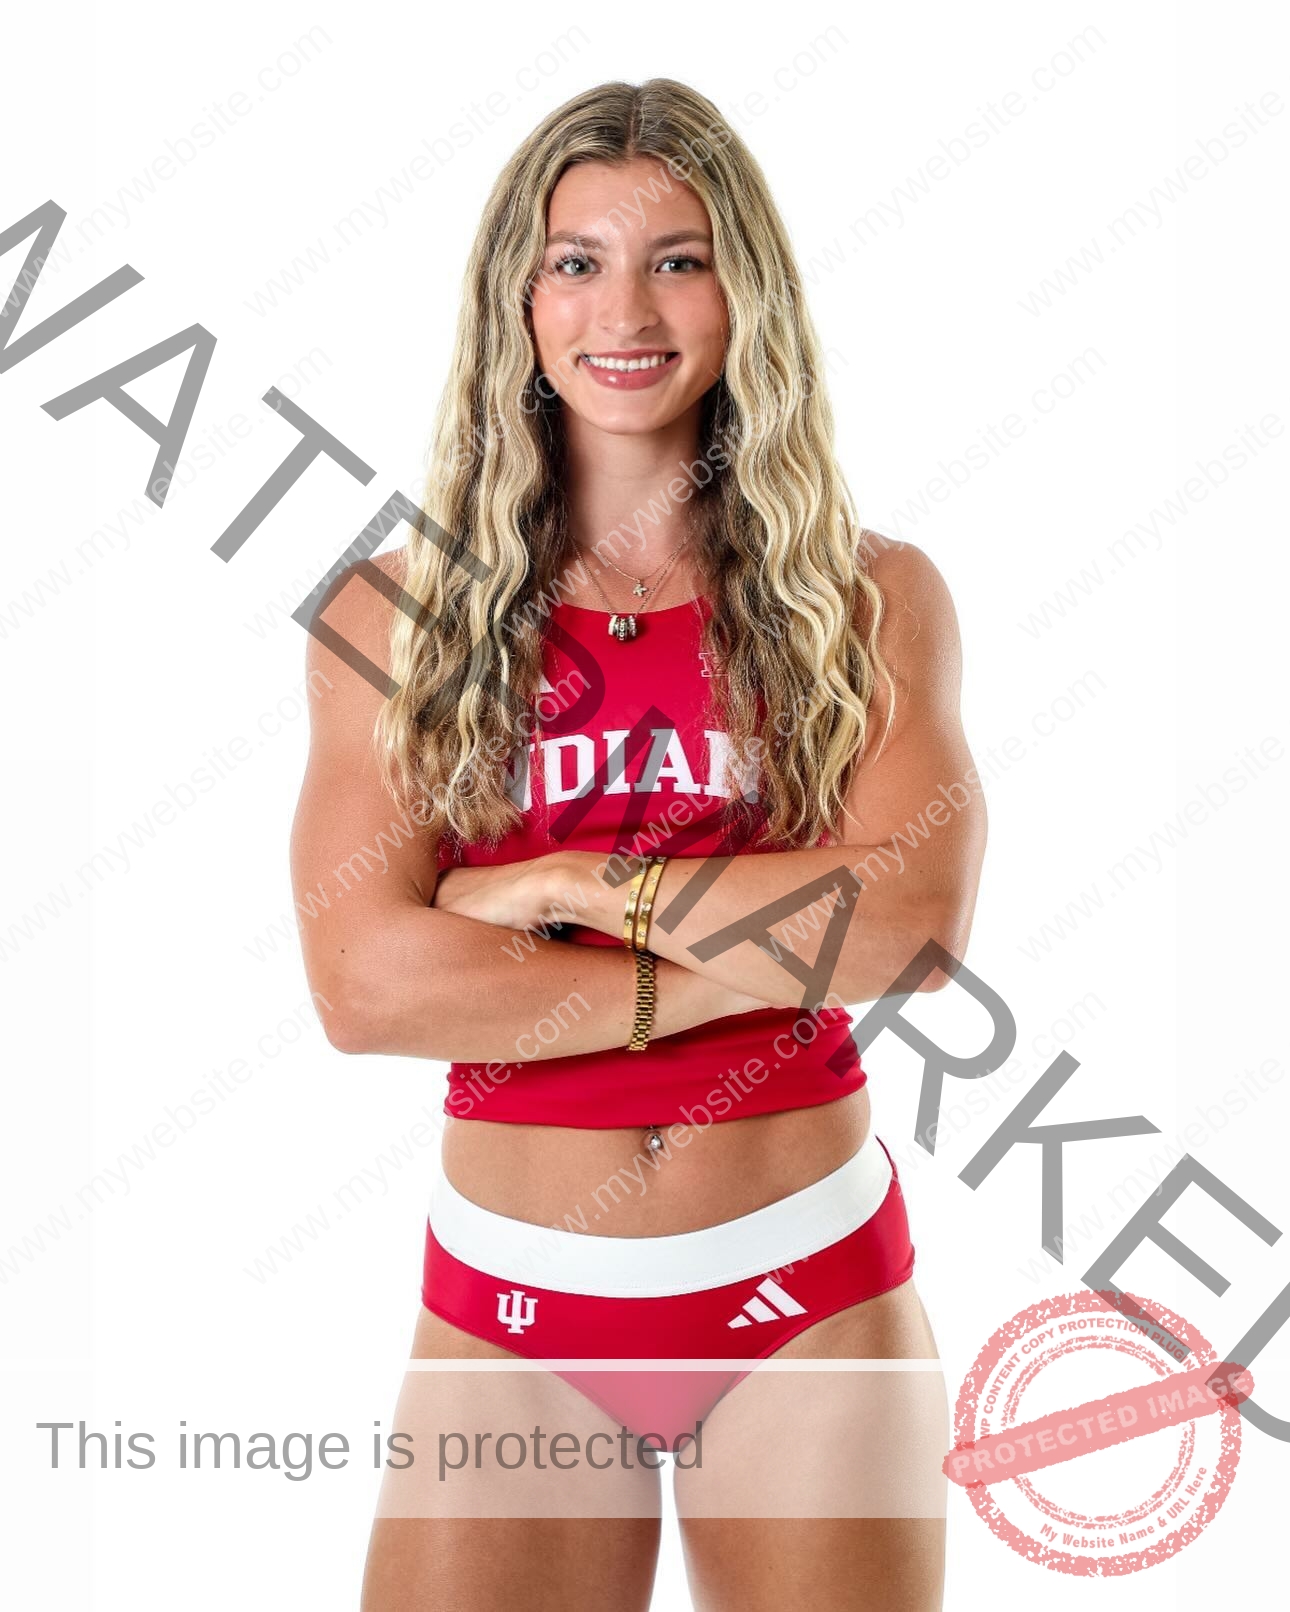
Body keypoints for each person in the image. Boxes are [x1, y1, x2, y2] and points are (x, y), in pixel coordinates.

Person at [291, 77, 985, 1612]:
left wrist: (569, 886)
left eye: (678, 259)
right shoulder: (393, 618)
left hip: (805, 1292)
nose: (626, 309)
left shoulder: (868, 599)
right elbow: (367, 987)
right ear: (518, 300)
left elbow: (908, 930)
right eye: (576, 261)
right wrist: (752, 955)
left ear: (745, 293)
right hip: (514, 1303)